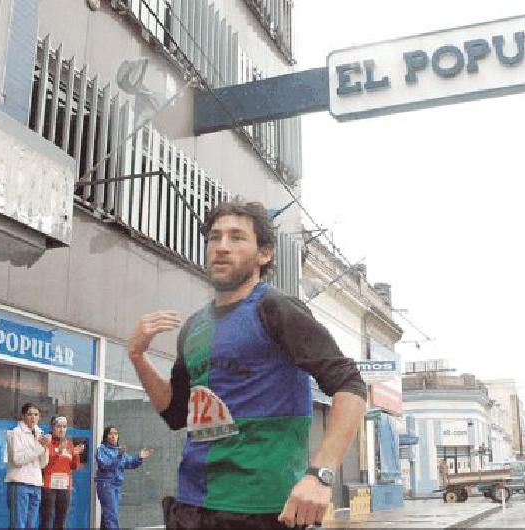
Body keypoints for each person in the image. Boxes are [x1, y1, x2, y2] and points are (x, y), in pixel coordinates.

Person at [128, 200, 367, 529]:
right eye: (214, 238)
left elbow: (349, 384)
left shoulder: (276, 309)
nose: (222, 247)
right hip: (191, 506)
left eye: (237, 238)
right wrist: (138, 357)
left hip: (263, 508)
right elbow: (174, 413)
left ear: (264, 254)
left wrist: (321, 475)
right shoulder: (193, 327)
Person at [95, 425, 154, 529]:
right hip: (106, 485)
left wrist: (139, 457)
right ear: (105, 436)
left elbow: (129, 463)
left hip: (117, 485)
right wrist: (118, 456)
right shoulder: (101, 450)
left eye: (116, 433)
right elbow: (105, 465)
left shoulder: (119, 450)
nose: (113, 436)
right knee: (111, 514)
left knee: (109, 514)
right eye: (110, 433)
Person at [5, 402, 50, 529]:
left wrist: (45, 448)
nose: (33, 418)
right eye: (30, 414)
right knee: (18, 525)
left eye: (36, 415)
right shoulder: (15, 433)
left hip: (36, 484)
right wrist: (39, 447)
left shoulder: (40, 433)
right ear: (23, 416)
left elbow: (42, 463)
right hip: (19, 483)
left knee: (31, 525)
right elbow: (18, 459)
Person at [39, 416, 86, 529]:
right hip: (48, 487)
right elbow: (44, 465)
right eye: (58, 426)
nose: (62, 429)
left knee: (61, 520)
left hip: (65, 487)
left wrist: (76, 454)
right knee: (46, 519)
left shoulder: (69, 444)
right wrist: (58, 452)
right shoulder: (46, 441)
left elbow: (74, 467)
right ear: (52, 427)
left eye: (64, 427)